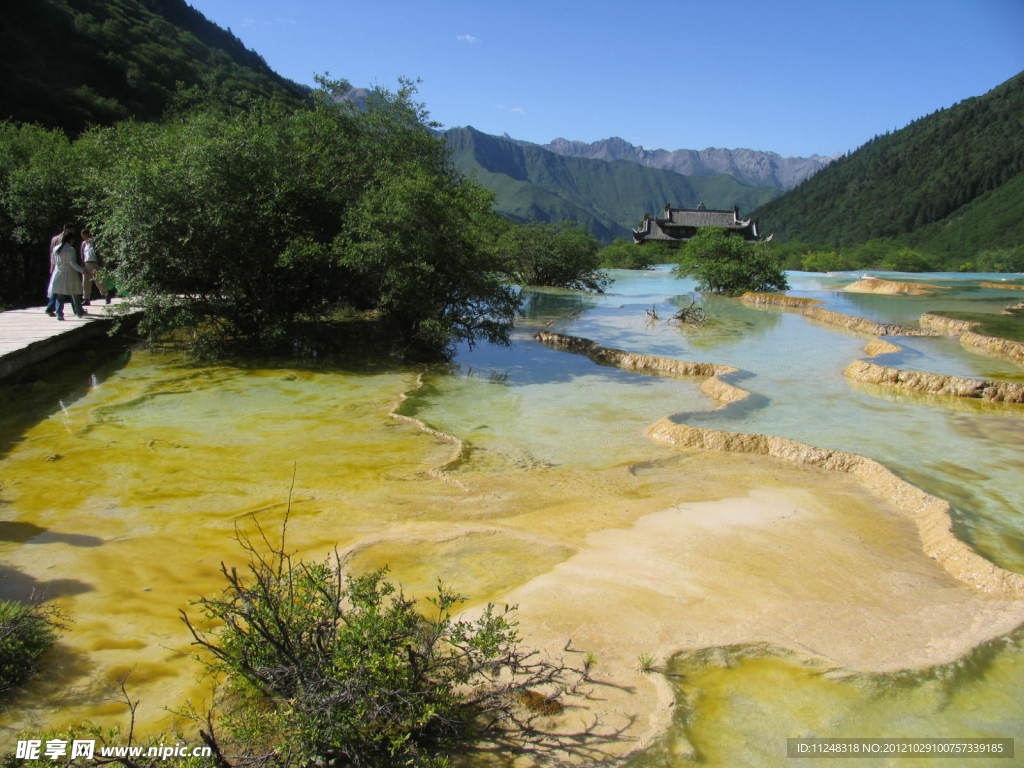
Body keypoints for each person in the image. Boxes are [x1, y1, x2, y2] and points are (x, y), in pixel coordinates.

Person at [47, 231, 85, 321]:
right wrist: (83, 270)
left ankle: (59, 314)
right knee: (74, 292)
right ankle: (79, 312)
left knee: (60, 294)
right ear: (70, 239)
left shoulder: (56, 248)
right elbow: (72, 263)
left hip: (58, 272)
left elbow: (53, 261)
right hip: (69, 273)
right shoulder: (71, 249)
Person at [45, 223, 75, 316]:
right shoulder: (65, 239)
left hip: (56, 265)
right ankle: (77, 309)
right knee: (70, 289)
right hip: (64, 267)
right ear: (67, 229)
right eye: (72, 229)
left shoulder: (54, 238)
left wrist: (52, 265)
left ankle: (50, 307)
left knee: (56, 288)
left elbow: (51, 253)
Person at [80, 229, 109, 305]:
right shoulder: (83, 244)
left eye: (84, 235)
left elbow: (101, 253)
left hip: (94, 263)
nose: (83, 237)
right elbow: (82, 255)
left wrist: (104, 263)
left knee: (99, 281)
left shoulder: (95, 242)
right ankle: (86, 299)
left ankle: (106, 295)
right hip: (86, 264)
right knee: (85, 282)